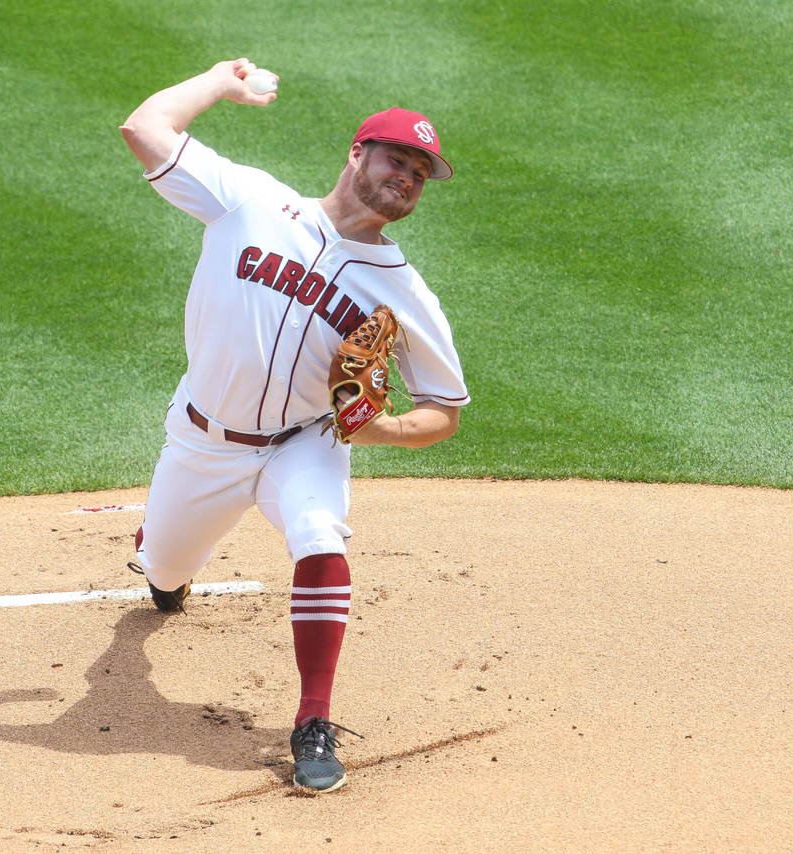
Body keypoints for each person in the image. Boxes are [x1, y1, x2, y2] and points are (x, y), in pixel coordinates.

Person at [119, 58, 470, 793]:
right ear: (356, 154)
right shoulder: (252, 201)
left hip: (304, 442)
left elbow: (445, 410)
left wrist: (377, 432)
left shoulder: (405, 294)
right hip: (201, 440)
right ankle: (160, 561)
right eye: (396, 159)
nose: (406, 177)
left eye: (420, 172)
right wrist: (219, 81)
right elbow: (145, 128)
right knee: (166, 568)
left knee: (319, 533)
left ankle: (313, 720)